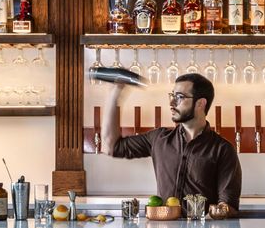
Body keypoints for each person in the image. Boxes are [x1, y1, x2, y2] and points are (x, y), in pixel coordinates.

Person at [100, 71, 240, 217]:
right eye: (172, 96)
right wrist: (115, 93)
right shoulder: (158, 139)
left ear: (200, 103)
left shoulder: (223, 149)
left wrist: (220, 211)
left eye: (179, 97)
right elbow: (110, 146)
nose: (171, 103)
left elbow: (228, 203)